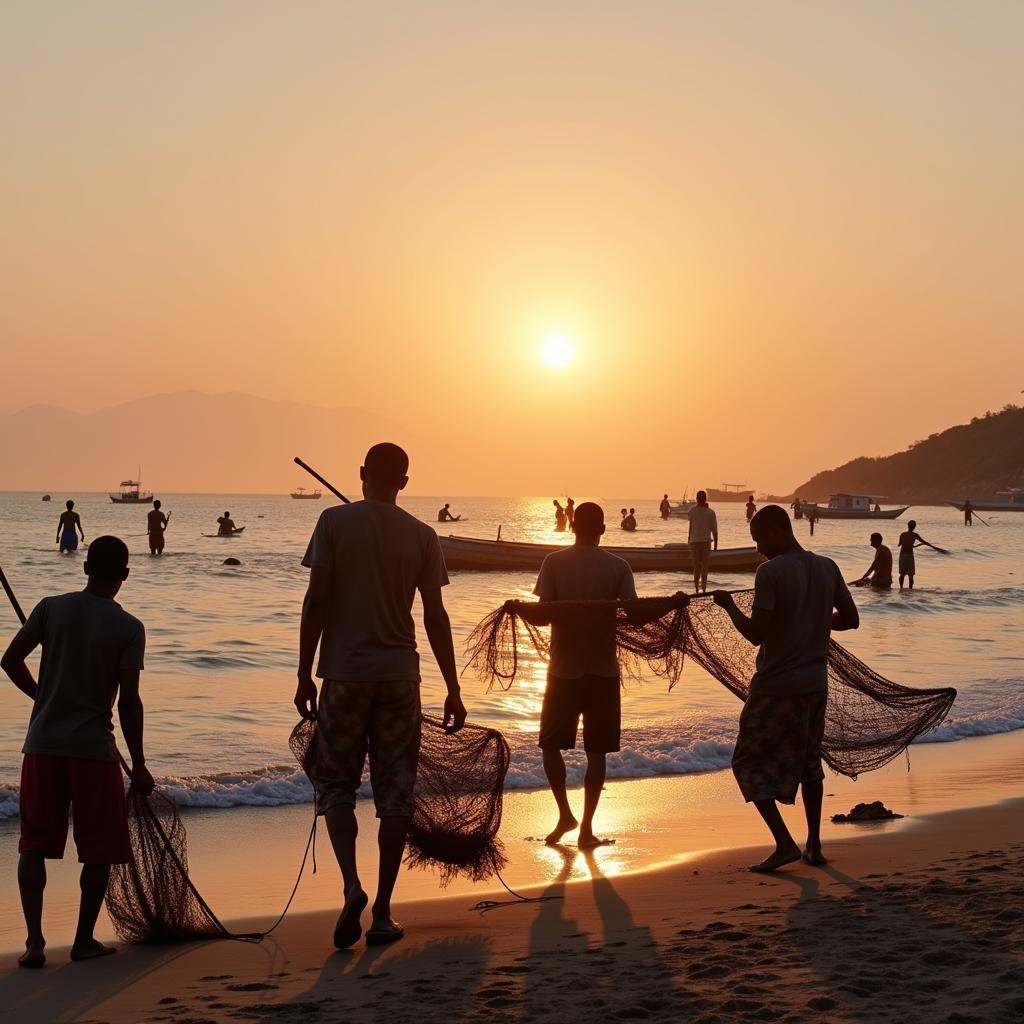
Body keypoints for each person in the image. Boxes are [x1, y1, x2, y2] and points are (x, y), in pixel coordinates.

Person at [295, 443, 467, 950]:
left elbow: (316, 600)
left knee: (336, 785)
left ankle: (352, 886)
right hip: (400, 679)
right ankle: (385, 912)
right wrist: (453, 687)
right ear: (405, 482)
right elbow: (435, 616)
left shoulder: (332, 522)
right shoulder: (422, 535)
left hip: (344, 676)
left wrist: (305, 672)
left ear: (363, 473)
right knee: (395, 795)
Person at [1, 536, 153, 968]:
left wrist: (41, 696)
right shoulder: (129, 627)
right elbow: (128, 701)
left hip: (43, 746)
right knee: (99, 849)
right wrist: (139, 764)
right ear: (124, 575)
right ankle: (83, 939)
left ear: (85, 568)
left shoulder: (51, 607)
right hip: (93, 751)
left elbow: (10, 660)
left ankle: (34, 943)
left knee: (33, 845)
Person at [519, 502, 686, 849]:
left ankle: (565, 813)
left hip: (563, 671)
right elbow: (637, 615)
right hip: (603, 674)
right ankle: (585, 830)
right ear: (604, 529)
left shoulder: (554, 562)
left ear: (572, 525)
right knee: (597, 753)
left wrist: (519, 609)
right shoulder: (618, 566)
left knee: (550, 746)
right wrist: (672, 603)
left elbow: (544, 614)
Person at [712, 505, 858, 872]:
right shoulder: (827, 566)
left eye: (760, 539)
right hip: (815, 686)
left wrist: (729, 605)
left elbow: (756, 634)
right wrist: (813, 618)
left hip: (775, 688)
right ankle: (815, 844)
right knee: (810, 765)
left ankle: (783, 844)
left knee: (746, 762)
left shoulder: (771, 572)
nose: (759, 548)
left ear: (777, 531)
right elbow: (851, 619)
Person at [687, 490, 718, 593]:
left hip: (694, 541)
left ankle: (696, 589)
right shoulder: (711, 512)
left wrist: (689, 540)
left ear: (697, 499)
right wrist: (716, 546)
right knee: (704, 566)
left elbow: (691, 527)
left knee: (696, 566)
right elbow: (714, 530)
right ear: (705, 499)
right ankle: (704, 589)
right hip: (705, 542)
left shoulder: (692, 511)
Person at [896, 520, 939, 590]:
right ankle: (911, 589)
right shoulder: (915, 535)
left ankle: (901, 588)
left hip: (902, 555)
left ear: (908, 526)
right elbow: (923, 541)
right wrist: (932, 546)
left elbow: (899, 544)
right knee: (911, 575)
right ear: (914, 527)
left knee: (902, 574)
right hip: (910, 555)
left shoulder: (902, 534)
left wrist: (909, 544)